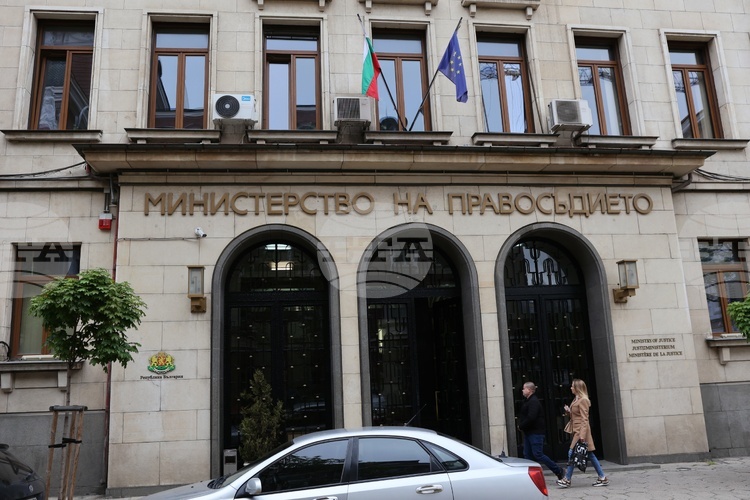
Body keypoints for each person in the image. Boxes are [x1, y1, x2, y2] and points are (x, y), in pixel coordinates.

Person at [556, 378, 609, 488]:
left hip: (581, 431)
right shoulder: (577, 399)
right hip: (577, 429)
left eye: (572, 386)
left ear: (577, 388)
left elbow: (585, 419)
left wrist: (582, 435)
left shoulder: (583, 400)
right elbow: (577, 415)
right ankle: (602, 477)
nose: (570, 388)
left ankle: (567, 479)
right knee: (590, 454)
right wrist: (569, 411)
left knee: (571, 453)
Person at [518, 381, 564, 481]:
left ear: (529, 390)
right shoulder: (528, 401)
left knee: (538, 454)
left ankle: (558, 470)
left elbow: (531, 417)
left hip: (535, 433)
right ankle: (530, 477)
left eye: (524, 388)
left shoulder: (533, 401)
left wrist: (521, 426)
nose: (522, 390)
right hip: (529, 432)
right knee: (527, 455)